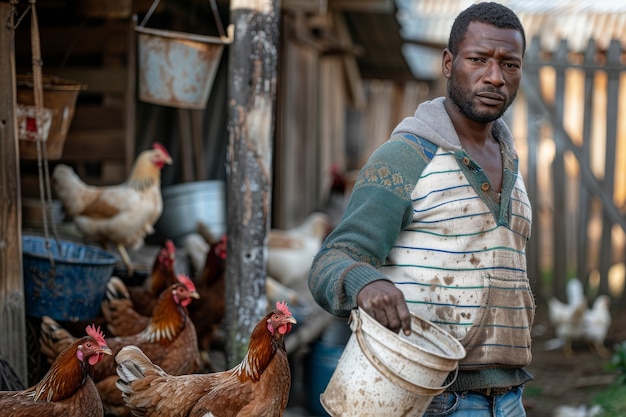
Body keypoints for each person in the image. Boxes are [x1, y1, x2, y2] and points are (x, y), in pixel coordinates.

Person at [308, 2, 534, 416]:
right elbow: (331, 260)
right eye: (478, 59)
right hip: (432, 398)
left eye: (510, 64)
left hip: (509, 398)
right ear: (449, 63)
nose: (495, 76)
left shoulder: (513, 168)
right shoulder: (407, 157)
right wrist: (365, 284)